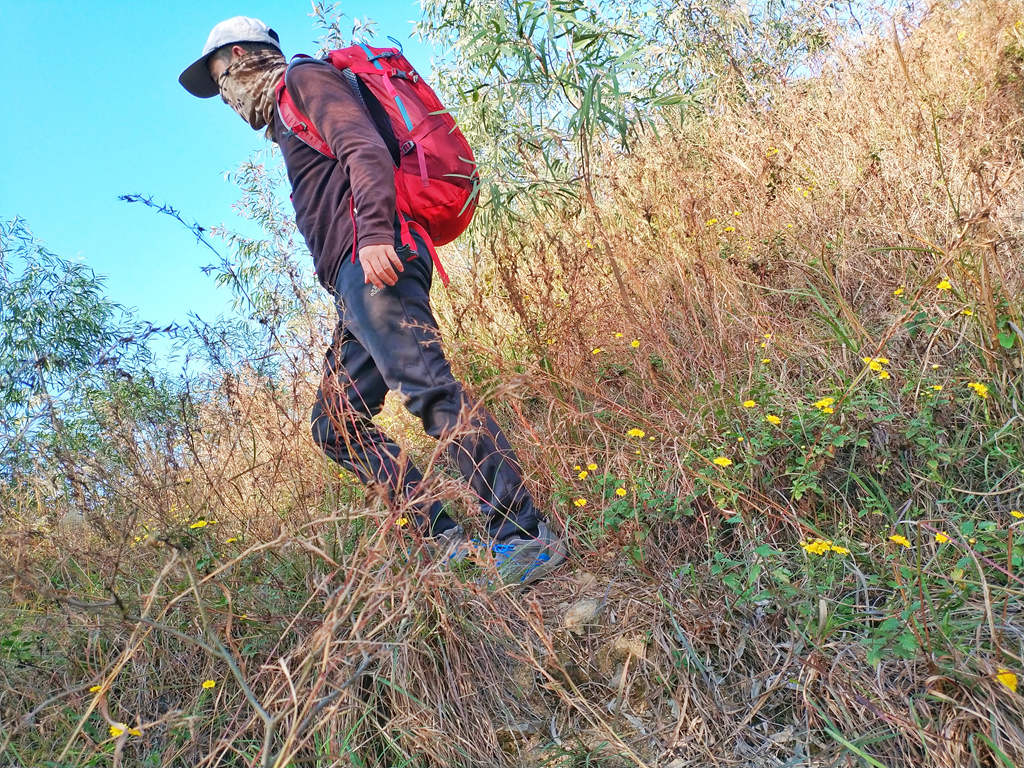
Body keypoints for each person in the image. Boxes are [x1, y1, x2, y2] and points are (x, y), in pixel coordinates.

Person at [178, 16, 566, 585]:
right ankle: (441, 534)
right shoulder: (287, 114)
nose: (227, 98)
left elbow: (364, 149)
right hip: (352, 284)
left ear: (240, 56)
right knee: (334, 423)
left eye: (221, 79)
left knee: (431, 391)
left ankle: (523, 535)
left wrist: (378, 236)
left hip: (376, 261)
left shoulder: (302, 82)